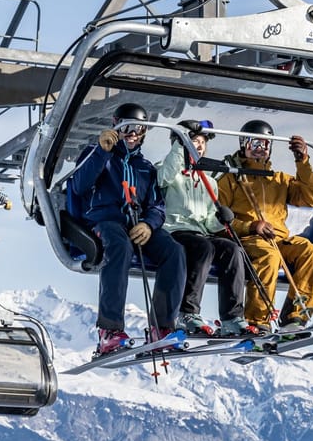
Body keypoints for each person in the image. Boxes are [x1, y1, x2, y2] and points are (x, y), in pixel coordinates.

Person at [68, 102, 186, 355]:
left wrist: (149, 224)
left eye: (138, 128)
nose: (132, 133)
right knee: (119, 247)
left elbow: (157, 205)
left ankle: (162, 327)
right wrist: (102, 152)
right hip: (105, 220)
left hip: (138, 225)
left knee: (174, 251)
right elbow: (79, 186)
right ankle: (109, 329)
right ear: (116, 126)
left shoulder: (145, 168)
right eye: (126, 127)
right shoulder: (96, 153)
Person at [216, 119, 313, 331]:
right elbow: (217, 219)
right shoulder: (231, 178)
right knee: (269, 256)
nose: (260, 149)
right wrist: (251, 226)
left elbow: (311, 198)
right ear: (243, 145)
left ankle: (295, 318)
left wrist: (302, 161)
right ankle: (258, 321)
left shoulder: (279, 179)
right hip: (248, 238)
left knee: (312, 253)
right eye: (254, 143)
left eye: (265, 144)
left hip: (278, 238)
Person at [156, 119, 259, 338]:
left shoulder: (208, 181)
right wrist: (181, 143)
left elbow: (208, 221)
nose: (200, 145)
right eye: (194, 140)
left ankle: (232, 318)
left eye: (202, 141)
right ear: (180, 144)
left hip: (199, 233)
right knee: (203, 247)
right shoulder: (168, 171)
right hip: (174, 231)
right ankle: (187, 312)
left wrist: (221, 220)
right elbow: (162, 178)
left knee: (232, 250)